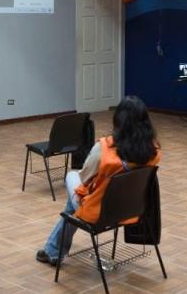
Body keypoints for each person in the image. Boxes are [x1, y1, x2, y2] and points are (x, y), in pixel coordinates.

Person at [36, 96, 161, 266]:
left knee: (72, 176)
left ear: (117, 119)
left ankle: (53, 251)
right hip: (132, 210)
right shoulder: (153, 150)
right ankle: (52, 250)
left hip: (100, 213)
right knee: (73, 204)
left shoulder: (104, 149)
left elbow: (84, 179)